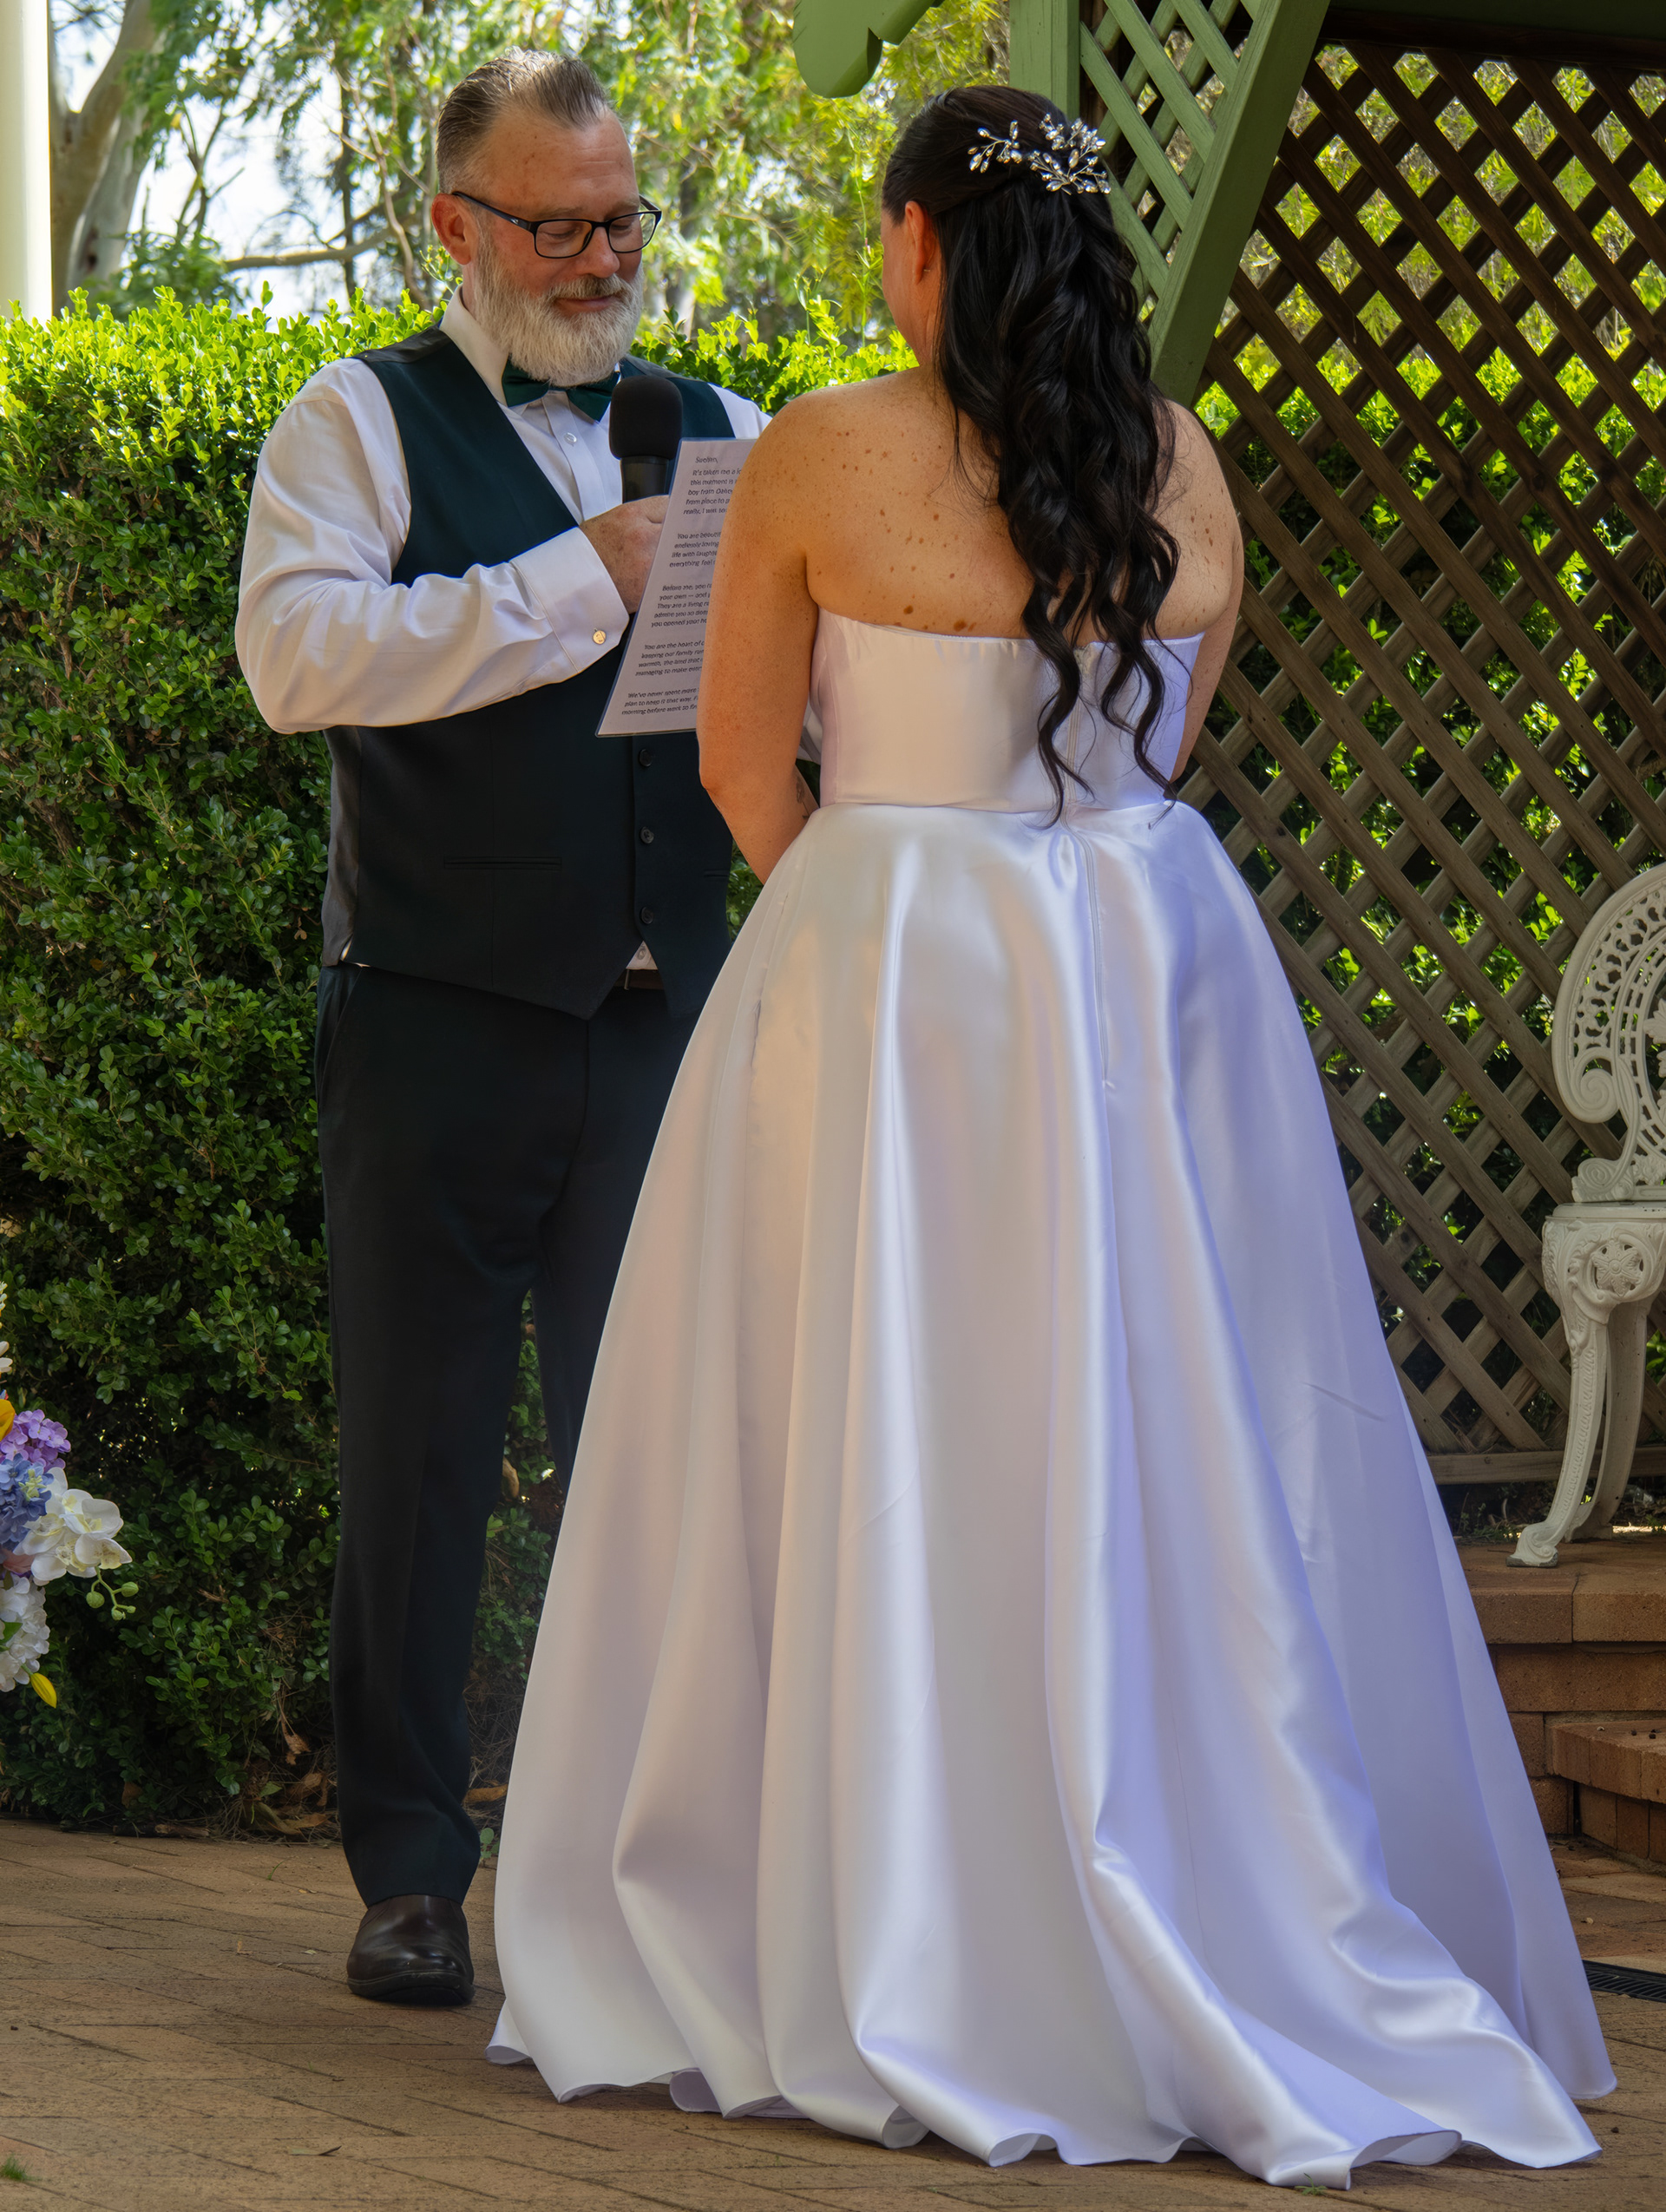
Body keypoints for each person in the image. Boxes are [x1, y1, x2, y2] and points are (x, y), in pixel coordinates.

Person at [486, 87, 1610, 2182]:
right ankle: (1219, 1874)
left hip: (895, 964)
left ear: (923, 243)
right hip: (1153, 966)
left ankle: (884, 1903)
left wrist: (869, 922)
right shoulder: (1178, 462)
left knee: (879, 1413)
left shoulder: (816, 451)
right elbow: (1166, 744)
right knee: (1183, 1416)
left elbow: (738, 764)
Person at [234, 49, 766, 2006]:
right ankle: (407, 1873)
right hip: (436, 1022)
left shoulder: (725, 426)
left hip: (664, 1029)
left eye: (623, 218)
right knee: (424, 1460)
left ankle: (646, 1863)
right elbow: (298, 657)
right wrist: (571, 580)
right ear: (455, 227)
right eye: (561, 226)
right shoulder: (352, 421)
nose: (606, 257)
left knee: (668, 1458)